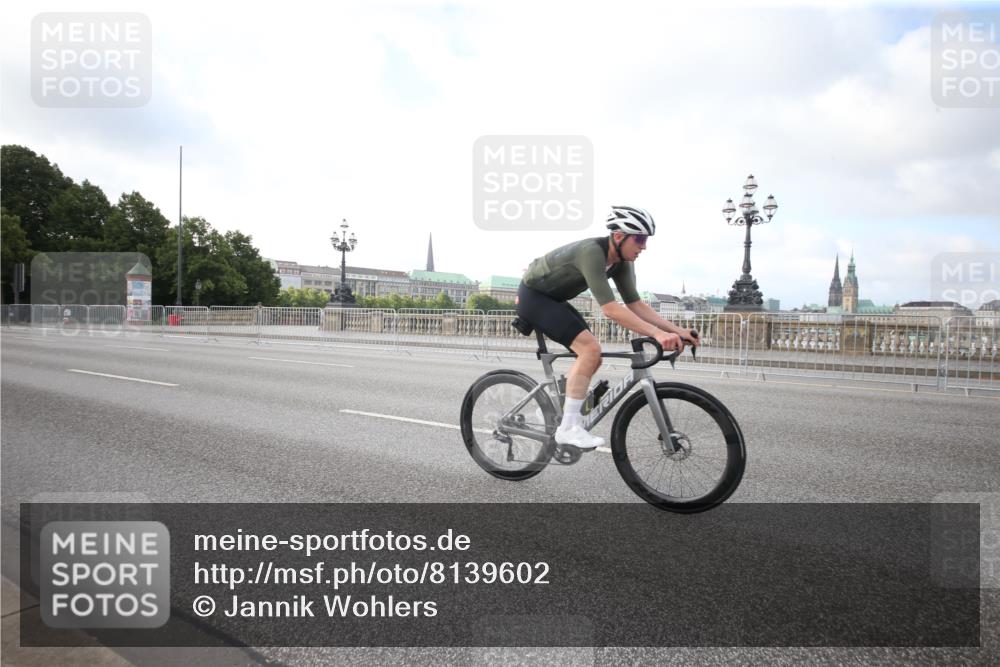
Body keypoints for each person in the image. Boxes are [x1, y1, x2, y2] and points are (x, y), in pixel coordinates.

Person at [516, 206, 699, 450]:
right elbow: (611, 309)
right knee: (590, 350)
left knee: (594, 356)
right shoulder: (592, 252)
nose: (644, 246)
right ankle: (568, 428)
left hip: (555, 300)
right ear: (619, 236)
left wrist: (676, 331)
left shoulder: (622, 262)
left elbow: (635, 304)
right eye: (640, 239)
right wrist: (656, 333)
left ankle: (555, 413)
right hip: (533, 297)